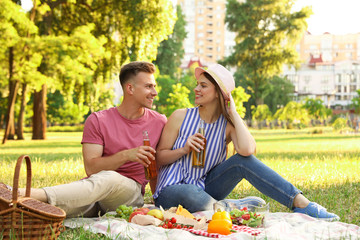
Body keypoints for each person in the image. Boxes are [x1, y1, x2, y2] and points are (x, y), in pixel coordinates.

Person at [153, 63, 339, 221]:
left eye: (203, 85)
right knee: (189, 192)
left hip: (205, 188)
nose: (196, 89)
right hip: (170, 191)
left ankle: (300, 202)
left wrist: (233, 113)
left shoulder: (227, 126)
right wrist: (184, 149)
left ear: (219, 93)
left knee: (242, 161)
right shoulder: (180, 116)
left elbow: (247, 150)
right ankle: (231, 208)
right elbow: (159, 157)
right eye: (197, 85)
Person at [6, 61, 166, 218]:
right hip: (94, 190)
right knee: (45, 210)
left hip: (128, 194)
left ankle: (21, 192)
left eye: (154, 86)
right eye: (148, 86)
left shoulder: (159, 122)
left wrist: (159, 201)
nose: (154, 92)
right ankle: (11, 205)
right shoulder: (98, 120)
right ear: (130, 88)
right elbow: (91, 169)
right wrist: (126, 155)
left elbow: (158, 168)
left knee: (109, 179)